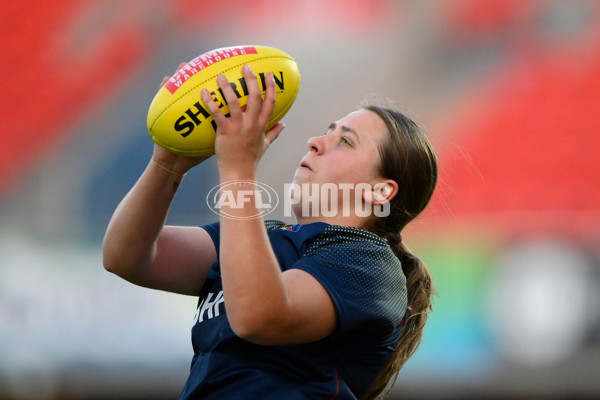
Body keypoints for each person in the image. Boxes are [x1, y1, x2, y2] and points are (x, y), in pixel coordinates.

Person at [102, 64, 437, 399]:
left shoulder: (369, 264)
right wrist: (168, 162)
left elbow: (257, 315)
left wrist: (238, 167)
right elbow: (127, 256)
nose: (316, 142)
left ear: (380, 192)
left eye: (345, 141)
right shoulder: (265, 236)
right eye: (328, 131)